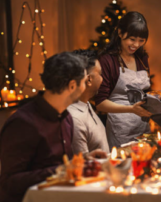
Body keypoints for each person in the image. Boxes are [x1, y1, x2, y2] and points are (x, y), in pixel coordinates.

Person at [0, 52, 106, 202]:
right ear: (72, 86)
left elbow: (59, 163)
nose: (85, 86)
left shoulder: (65, 117)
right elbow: (9, 182)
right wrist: (59, 171)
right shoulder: (23, 123)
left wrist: (83, 160)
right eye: (83, 81)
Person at [95, 11, 152, 148]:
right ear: (120, 33)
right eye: (132, 39)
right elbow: (100, 103)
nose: (136, 44)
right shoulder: (107, 60)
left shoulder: (142, 58)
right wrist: (131, 109)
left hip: (143, 126)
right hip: (119, 128)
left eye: (141, 40)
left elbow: (146, 93)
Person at [68, 49, 110, 154]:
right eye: (100, 74)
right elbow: (83, 166)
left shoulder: (85, 104)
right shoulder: (75, 118)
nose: (103, 79)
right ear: (89, 79)